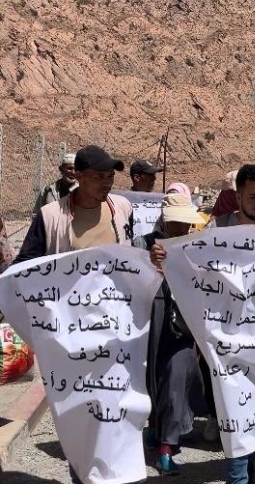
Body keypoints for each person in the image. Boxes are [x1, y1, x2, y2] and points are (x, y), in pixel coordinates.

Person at [13, 145, 134, 484]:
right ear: (78, 177)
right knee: (79, 412)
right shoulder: (51, 216)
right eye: (99, 176)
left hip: (113, 331)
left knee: (112, 410)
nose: (107, 182)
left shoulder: (121, 209)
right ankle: (82, 474)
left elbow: (131, 258)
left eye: (111, 176)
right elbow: (27, 263)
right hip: (70, 335)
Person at [194, 164, 255, 484]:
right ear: (237, 197)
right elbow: (194, 270)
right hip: (228, 341)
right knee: (234, 411)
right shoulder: (217, 230)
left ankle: (251, 472)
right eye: (253, 197)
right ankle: (238, 478)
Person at [138, 193, 206, 474]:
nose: (181, 229)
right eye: (176, 223)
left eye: (185, 223)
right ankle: (155, 428)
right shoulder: (142, 244)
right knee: (152, 379)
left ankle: (167, 447)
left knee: (176, 380)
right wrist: (148, 261)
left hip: (184, 328)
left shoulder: (196, 246)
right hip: (151, 322)